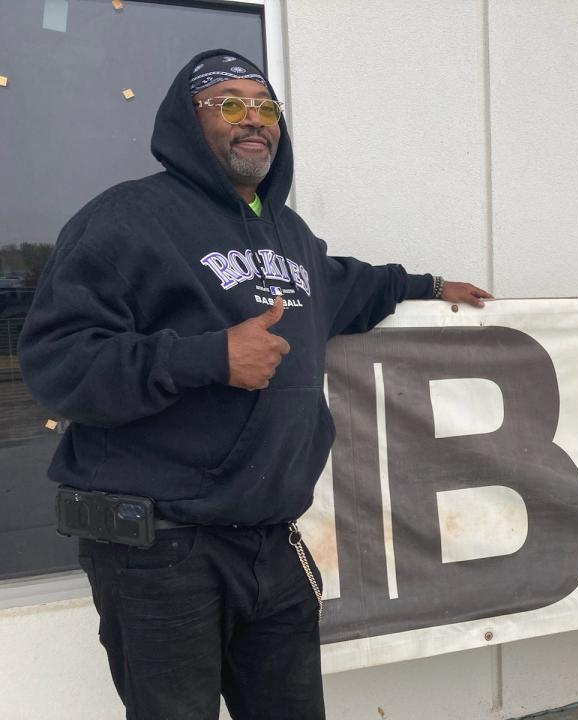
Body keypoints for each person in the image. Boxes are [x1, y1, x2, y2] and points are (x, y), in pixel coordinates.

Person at [19, 49, 492, 720]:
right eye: (229, 104)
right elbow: (55, 364)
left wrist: (428, 286)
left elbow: (348, 285)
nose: (253, 121)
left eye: (265, 106)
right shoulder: (126, 221)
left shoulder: (289, 236)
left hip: (269, 543)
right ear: (188, 121)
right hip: (161, 555)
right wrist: (207, 358)